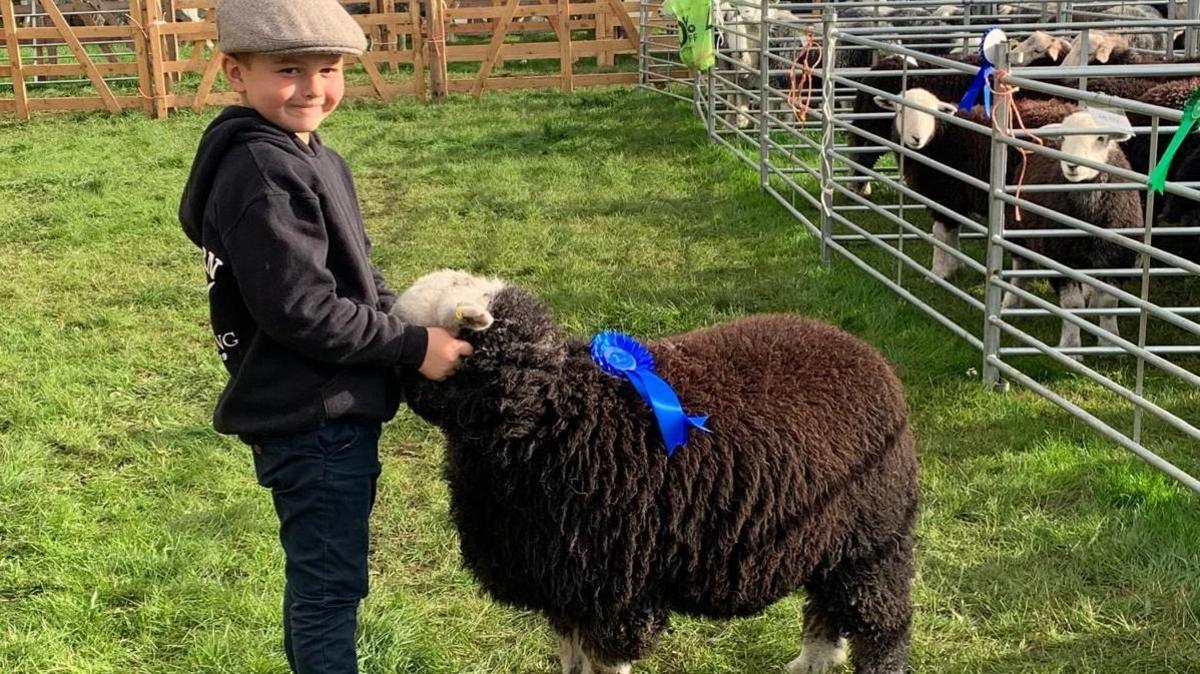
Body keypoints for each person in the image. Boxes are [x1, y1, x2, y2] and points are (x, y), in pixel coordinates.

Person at [178, 1, 472, 671]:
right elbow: (303, 309)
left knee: (320, 586)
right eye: (289, 70)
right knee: (329, 592)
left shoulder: (314, 157)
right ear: (235, 72)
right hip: (313, 418)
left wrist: (408, 320)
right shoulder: (261, 172)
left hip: (330, 408)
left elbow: (357, 273)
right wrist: (409, 347)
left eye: (330, 68)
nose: (313, 88)